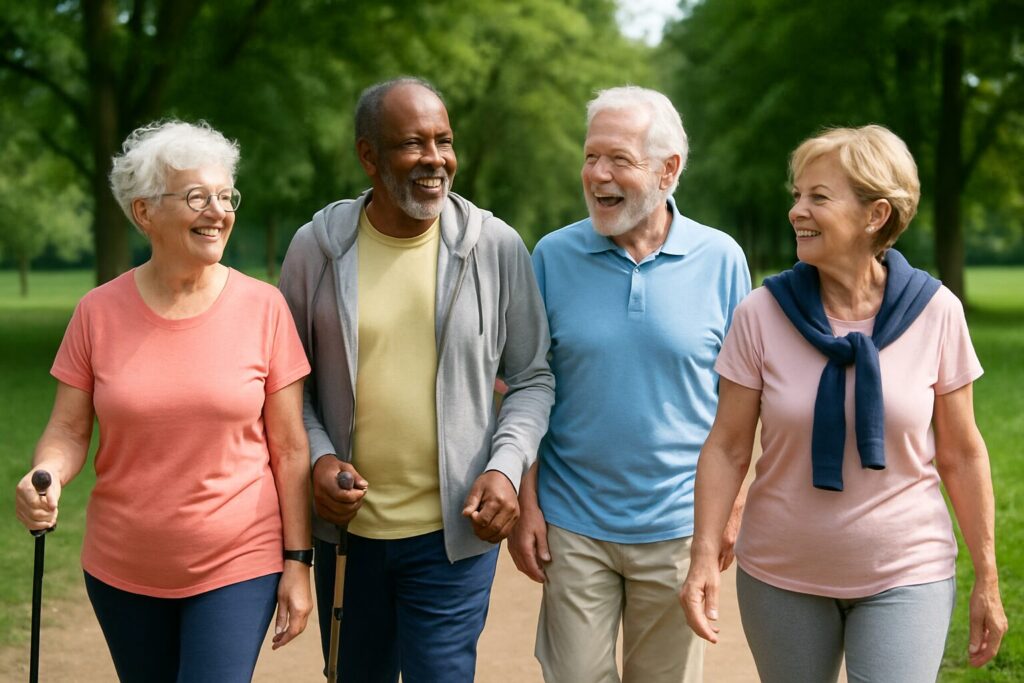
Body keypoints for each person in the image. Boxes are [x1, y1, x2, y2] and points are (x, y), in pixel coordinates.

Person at [681, 125, 1008, 681]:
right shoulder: (761, 314)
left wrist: (988, 578)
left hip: (908, 571)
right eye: (796, 196)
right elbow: (728, 446)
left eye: (818, 197)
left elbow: (961, 453)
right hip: (781, 575)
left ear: (874, 215)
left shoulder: (937, 312)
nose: (796, 211)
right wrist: (702, 557)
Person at [13, 120, 313, 682]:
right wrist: (43, 473)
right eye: (198, 196)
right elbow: (70, 430)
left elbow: (291, 448)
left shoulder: (264, 308)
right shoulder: (96, 313)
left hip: (238, 560)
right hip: (122, 567)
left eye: (226, 197)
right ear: (144, 212)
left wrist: (298, 563)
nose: (219, 211)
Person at [278, 77, 554, 682]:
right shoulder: (316, 250)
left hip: (453, 536)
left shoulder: (496, 247)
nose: (435, 159)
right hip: (349, 538)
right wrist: (320, 459)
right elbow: (284, 387)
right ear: (368, 156)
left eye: (444, 140)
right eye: (412, 143)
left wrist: (505, 467)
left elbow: (532, 378)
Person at [510, 86, 750, 683]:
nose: (597, 175)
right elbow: (529, 384)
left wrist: (734, 506)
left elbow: (746, 400)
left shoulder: (722, 260)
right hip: (572, 525)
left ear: (669, 170)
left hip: (679, 526)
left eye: (618, 159)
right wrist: (527, 501)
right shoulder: (552, 256)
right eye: (591, 158)